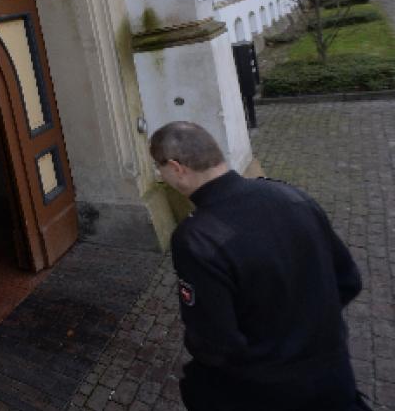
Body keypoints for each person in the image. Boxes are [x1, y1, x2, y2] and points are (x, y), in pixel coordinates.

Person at [149, 121, 367, 411]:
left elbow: (215, 344)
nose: (160, 176)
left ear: (177, 168)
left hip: (266, 393)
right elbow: (349, 280)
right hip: (335, 379)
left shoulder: (198, 239)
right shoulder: (292, 197)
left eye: (158, 169)